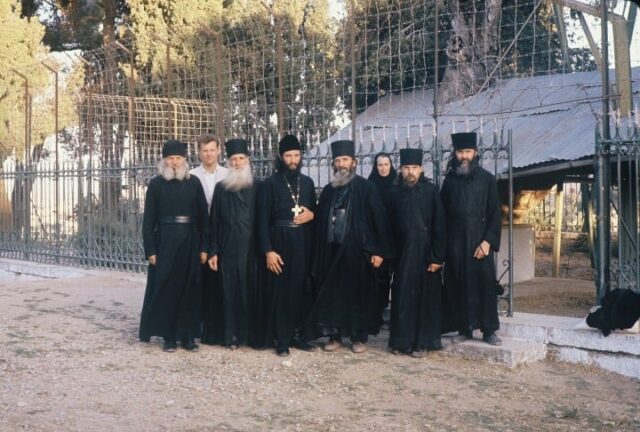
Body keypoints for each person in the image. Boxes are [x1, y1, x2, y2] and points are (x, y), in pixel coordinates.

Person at [304, 140, 393, 354]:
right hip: (331, 252)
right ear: (334, 164)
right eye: (338, 160)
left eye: (345, 160)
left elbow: (379, 221)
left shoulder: (367, 188)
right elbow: (319, 220)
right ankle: (334, 336)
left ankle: (357, 338)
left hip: (357, 253)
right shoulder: (328, 190)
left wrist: (379, 251)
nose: (341, 164)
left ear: (353, 162)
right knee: (333, 295)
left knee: (358, 295)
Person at [139, 139, 209, 352]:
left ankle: (187, 336)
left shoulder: (194, 183)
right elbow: (148, 222)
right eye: (171, 158)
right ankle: (169, 336)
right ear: (164, 160)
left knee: (189, 289)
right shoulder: (156, 184)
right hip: (165, 244)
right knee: (168, 289)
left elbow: (204, 219)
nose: (175, 162)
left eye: (179, 158)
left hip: (190, 241)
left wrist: (204, 248)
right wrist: (151, 250)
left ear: (185, 160)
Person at [256, 135, 317, 356]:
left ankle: (296, 335)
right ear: (280, 157)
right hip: (279, 242)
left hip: (302, 243)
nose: (292, 159)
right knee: (280, 292)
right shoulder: (269, 184)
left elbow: (314, 212)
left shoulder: (308, 183)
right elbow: (261, 221)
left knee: (300, 290)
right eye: (288, 155)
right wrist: (268, 251)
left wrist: (313, 215)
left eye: (296, 155)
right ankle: (281, 339)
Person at [440, 132, 502, 346]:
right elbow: (442, 216)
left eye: (467, 151)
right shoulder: (449, 181)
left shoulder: (487, 179)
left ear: (475, 152)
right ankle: (464, 328)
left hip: (479, 243)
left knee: (484, 284)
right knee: (458, 285)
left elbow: (495, 213)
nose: (464, 156)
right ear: (455, 154)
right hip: (456, 244)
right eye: (460, 152)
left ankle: (489, 330)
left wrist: (487, 242)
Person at [387, 148, 446, 357]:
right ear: (401, 170)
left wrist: (437, 257)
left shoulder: (431, 191)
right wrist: (391, 258)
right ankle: (401, 342)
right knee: (402, 298)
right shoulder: (394, 193)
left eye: (414, 167)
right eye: (406, 168)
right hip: (403, 254)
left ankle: (422, 344)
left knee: (424, 299)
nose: (410, 172)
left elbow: (440, 225)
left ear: (421, 169)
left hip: (424, 255)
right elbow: (389, 228)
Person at [207, 138, 262, 349]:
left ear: (248, 160)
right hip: (228, 248)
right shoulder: (221, 189)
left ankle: (249, 335)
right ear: (228, 162)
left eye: (241, 158)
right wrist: (213, 251)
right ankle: (231, 336)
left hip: (252, 249)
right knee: (229, 293)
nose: (237, 163)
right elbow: (214, 223)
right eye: (233, 159)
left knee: (250, 291)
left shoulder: (259, 187)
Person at [190, 134, 229, 346]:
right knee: (199, 279)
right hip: (199, 232)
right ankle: (199, 324)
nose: (208, 154)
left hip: (222, 231)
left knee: (219, 279)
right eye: (204, 150)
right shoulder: (191, 175)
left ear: (219, 151)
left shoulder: (228, 174)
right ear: (199, 153)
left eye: (212, 150)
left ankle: (218, 325)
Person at [367, 152, 398, 327]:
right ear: (375, 166)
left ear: (391, 165)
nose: (383, 168)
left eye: (386, 164)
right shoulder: (370, 184)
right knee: (379, 277)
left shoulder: (397, 183)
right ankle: (377, 313)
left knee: (397, 276)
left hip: (395, 236)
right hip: (378, 237)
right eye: (380, 165)